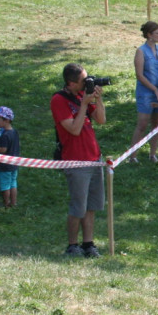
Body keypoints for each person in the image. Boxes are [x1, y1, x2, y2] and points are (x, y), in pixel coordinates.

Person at [51, 63, 107, 258]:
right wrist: (83, 104)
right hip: (76, 161)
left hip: (94, 158)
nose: (87, 82)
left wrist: (97, 100)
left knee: (92, 206)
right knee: (78, 206)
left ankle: (88, 243)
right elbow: (73, 129)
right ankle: (72, 244)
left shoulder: (81, 96)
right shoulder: (59, 100)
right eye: (83, 80)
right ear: (71, 82)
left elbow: (101, 120)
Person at [131, 21, 158, 163]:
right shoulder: (141, 51)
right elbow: (139, 75)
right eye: (157, 33)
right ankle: (133, 155)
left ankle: (152, 154)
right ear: (149, 35)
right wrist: (154, 89)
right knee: (142, 123)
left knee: (156, 123)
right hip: (146, 92)